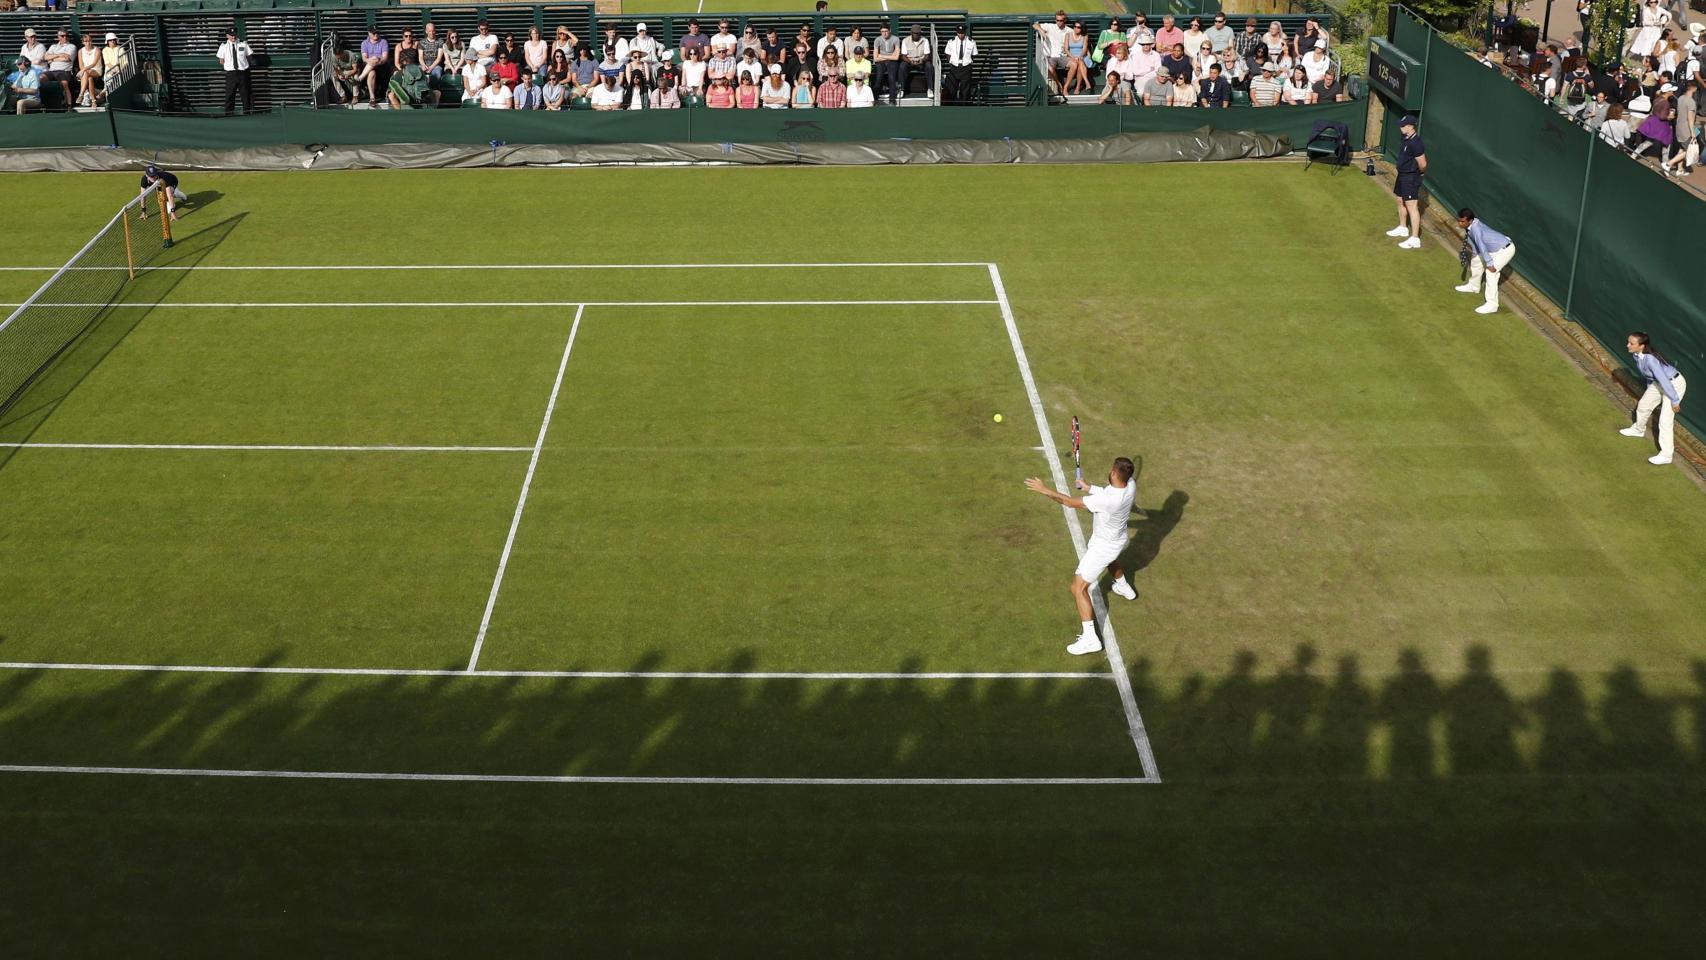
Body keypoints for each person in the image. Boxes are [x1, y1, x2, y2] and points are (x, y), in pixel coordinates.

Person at [1023, 457, 1140, 656]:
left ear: (1113, 473)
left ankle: (1090, 639)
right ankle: (1123, 586)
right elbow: (1108, 492)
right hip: (1117, 539)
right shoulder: (1130, 484)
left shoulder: (1106, 501)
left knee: (1077, 587)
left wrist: (1044, 490)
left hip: (1103, 546)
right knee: (1111, 560)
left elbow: (1068, 502)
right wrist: (1089, 487)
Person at [1619, 332, 1688, 465]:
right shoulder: (1636, 355)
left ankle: (1666, 456)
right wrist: (1650, 393)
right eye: (1628, 342)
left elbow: (1663, 379)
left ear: (1641, 346)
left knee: (1665, 420)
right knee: (1644, 405)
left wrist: (1674, 400)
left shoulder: (1650, 359)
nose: (1628, 345)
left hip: (1673, 385)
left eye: (1631, 343)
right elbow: (1651, 377)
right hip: (1659, 383)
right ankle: (1638, 430)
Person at [1452, 208, 1516, 315]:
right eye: (1459, 220)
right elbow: (1476, 244)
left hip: (1505, 250)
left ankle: (1492, 305)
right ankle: (1474, 286)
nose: (1460, 223)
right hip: (1493, 248)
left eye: (1462, 221)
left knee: (1491, 273)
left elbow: (1481, 245)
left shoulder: (1475, 229)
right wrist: (1475, 254)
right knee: (1476, 260)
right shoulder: (1470, 225)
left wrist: (1489, 263)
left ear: (1470, 221)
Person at [1388, 115, 1426, 249]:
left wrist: (1420, 173)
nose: (1400, 127)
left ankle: (1415, 239)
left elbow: (1423, 163)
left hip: (1411, 177)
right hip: (1402, 175)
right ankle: (1403, 227)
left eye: (1403, 125)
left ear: (1410, 126)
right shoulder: (1405, 138)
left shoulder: (1416, 143)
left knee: (1412, 207)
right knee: (1400, 200)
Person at [217, 27, 255, 115]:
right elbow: (221, 60)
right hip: (231, 73)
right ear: (227, 36)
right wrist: (230, 65)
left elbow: (249, 56)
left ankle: (247, 113)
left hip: (243, 72)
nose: (233, 37)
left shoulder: (243, 44)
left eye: (234, 35)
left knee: (245, 94)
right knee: (230, 94)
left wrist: (243, 64)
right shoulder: (223, 46)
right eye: (231, 35)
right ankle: (229, 114)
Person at [1035, 10, 1070, 93]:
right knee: (1050, 68)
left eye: (1061, 20)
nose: (1059, 22)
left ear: (1064, 20)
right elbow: (1035, 25)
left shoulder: (1070, 31)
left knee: (1075, 64)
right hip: (1051, 57)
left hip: (1063, 57)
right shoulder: (1050, 26)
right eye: (1057, 20)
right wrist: (1041, 30)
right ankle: (1059, 85)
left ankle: (1066, 87)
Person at [42, 29, 75, 110]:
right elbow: (45, 57)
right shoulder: (53, 46)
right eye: (62, 36)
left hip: (64, 71)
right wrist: (60, 55)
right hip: (52, 71)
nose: (65, 37)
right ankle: (43, 103)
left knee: (64, 83)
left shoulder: (71, 46)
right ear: (58, 37)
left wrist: (52, 58)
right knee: (41, 78)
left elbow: (67, 59)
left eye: (67, 35)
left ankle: (69, 105)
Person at [943, 25, 976, 105]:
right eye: (959, 33)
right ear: (957, 33)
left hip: (966, 67)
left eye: (962, 33)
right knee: (951, 88)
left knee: (965, 89)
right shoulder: (951, 42)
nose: (961, 35)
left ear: (965, 32)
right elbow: (948, 54)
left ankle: (964, 106)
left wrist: (967, 63)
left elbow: (973, 55)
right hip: (954, 67)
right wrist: (952, 62)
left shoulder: (971, 42)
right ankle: (951, 106)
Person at [356, 28, 389, 105]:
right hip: (368, 67)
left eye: (377, 32)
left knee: (376, 58)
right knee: (371, 73)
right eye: (373, 33)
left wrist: (378, 60)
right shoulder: (364, 43)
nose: (376, 34)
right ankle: (372, 98)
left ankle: (360, 78)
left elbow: (385, 58)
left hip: (381, 66)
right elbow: (364, 58)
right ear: (369, 33)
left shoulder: (383, 42)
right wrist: (371, 60)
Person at [872, 24, 902, 104]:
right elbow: (875, 58)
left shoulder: (896, 39)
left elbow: (896, 57)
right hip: (881, 61)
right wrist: (889, 56)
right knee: (878, 77)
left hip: (891, 61)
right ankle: (875, 98)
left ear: (890, 30)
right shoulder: (877, 40)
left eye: (886, 31)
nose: (884, 33)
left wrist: (881, 55)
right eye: (882, 31)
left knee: (892, 78)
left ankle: (892, 100)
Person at [902, 24, 931, 97]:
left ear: (920, 33)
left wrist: (921, 61)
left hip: (921, 61)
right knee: (902, 66)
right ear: (911, 33)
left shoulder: (925, 40)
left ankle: (930, 89)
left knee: (929, 66)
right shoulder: (905, 40)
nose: (916, 35)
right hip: (910, 61)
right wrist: (910, 62)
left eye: (917, 33)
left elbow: (927, 55)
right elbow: (904, 56)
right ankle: (901, 89)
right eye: (914, 33)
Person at [76, 33, 103, 107]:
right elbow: (81, 65)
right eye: (86, 41)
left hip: (96, 70)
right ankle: (94, 101)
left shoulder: (97, 50)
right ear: (83, 42)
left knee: (86, 73)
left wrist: (83, 70)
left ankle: (81, 94)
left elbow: (94, 64)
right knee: (89, 78)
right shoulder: (80, 51)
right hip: (86, 72)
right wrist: (83, 70)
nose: (88, 43)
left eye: (89, 41)